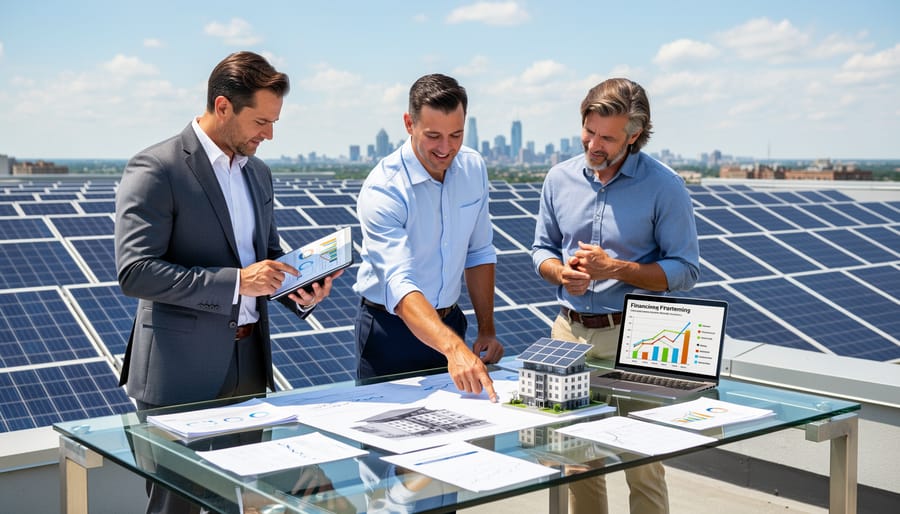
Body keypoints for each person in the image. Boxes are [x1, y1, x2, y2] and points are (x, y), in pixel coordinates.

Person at [115, 51, 340, 514]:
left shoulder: (259, 172)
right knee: (176, 506)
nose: (269, 135)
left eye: (274, 122)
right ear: (222, 107)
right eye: (260, 121)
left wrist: (300, 287)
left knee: (247, 500)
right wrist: (237, 282)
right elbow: (135, 271)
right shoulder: (157, 168)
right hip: (180, 373)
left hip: (248, 364)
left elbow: (265, 258)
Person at [532, 78, 700, 514]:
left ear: (635, 136)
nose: (594, 144)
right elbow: (541, 250)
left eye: (607, 137)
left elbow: (686, 270)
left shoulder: (665, 186)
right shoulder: (559, 179)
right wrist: (560, 273)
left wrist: (616, 270)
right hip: (567, 335)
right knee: (575, 460)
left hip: (639, 335)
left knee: (643, 460)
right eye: (589, 132)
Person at [353, 73, 504, 402]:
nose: (446, 148)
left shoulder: (473, 168)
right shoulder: (384, 188)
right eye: (433, 136)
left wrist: (486, 329)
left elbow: (478, 252)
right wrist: (454, 350)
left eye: (456, 135)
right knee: (390, 440)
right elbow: (399, 283)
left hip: (452, 323)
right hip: (390, 334)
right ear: (409, 123)